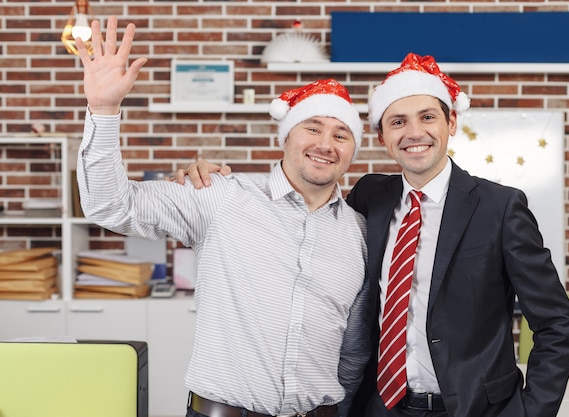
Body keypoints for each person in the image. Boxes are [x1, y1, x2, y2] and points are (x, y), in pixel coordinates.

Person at [180, 53, 569, 417]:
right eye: (397, 122)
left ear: (451, 122)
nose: (414, 132)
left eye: (427, 117)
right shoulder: (370, 197)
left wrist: (528, 413)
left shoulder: (500, 207)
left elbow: (556, 322)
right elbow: (306, 230)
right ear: (382, 136)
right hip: (381, 408)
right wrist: (202, 176)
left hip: (476, 408)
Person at [75, 16, 371, 417]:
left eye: (341, 134)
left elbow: (353, 350)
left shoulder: (357, 232)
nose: (326, 144)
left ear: (353, 149)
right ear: (285, 137)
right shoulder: (220, 196)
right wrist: (104, 109)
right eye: (312, 127)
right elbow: (110, 204)